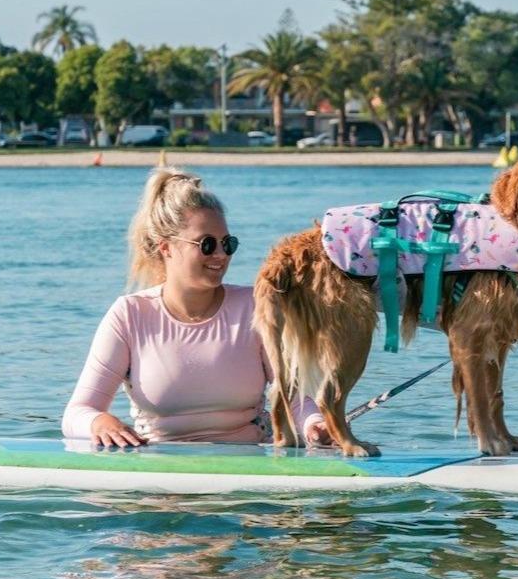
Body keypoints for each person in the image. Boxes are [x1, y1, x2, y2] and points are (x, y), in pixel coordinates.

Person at [62, 167, 330, 448]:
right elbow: (76, 413)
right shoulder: (130, 315)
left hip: (248, 472)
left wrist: (315, 424)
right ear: (166, 248)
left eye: (228, 244)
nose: (221, 255)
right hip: (162, 476)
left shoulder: (256, 307)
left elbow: (295, 397)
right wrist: (100, 422)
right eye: (207, 244)